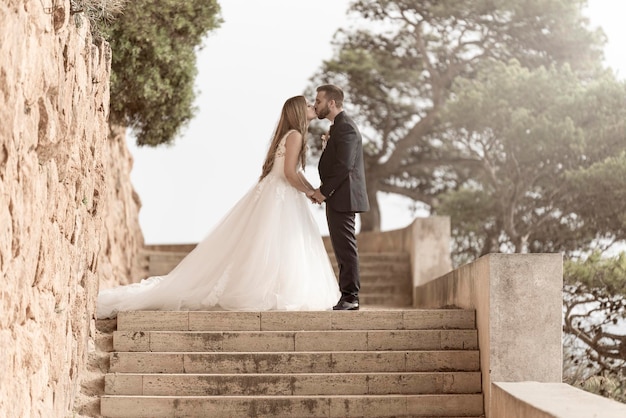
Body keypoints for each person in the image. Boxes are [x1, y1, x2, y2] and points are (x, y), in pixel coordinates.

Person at [97, 95, 341, 319]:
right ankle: (275, 290)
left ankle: (274, 288)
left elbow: (293, 172)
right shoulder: (296, 135)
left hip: (276, 194)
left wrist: (313, 190)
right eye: (309, 104)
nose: (312, 107)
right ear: (299, 111)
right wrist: (311, 192)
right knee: (280, 244)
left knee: (272, 245)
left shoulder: (289, 134)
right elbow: (289, 173)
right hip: (281, 196)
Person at [311, 84, 369, 311]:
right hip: (339, 197)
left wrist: (323, 192)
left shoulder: (346, 128)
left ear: (331, 103)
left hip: (344, 197)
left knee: (345, 247)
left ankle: (351, 296)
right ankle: (348, 295)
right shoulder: (338, 128)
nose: (316, 105)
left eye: (318, 101)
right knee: (341, 246)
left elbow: (344, 166)